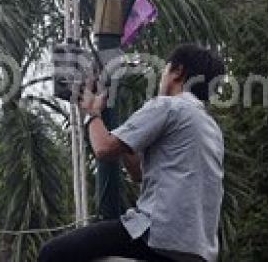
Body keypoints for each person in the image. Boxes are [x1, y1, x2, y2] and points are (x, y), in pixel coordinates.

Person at [38, 43, 226, 262]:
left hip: (156, 234)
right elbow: (138, 173)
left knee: (53, 253)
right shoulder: (210, 127)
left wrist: (91, 112)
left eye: (165, 69)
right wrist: (129, 138)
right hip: (197, 248)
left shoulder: (169, 106)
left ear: (178, 71)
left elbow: (103, 148)